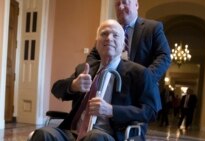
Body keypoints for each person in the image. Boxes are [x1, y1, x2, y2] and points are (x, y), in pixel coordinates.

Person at [30, 19, 161, 141]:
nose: (109, 38)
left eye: (115, 35)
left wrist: (111, 110)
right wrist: (73, 85)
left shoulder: (140, 73)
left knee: (94, 137)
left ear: (123, 45)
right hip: (73, 132)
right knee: (43, 134)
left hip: (111, 135)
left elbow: (151, 111)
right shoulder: (85, 69)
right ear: (97, 43)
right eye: (104, 34)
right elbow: (56, 89)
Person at [86, 0, 171, 82]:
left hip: (139, 88)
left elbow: (164, 56)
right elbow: (93, 56)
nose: (121, 7)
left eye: (125, 2)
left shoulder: (152, 28)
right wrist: (91, 75)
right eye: (117, 4)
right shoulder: (109, 30)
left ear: (136, 5)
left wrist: (146, 78)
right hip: (111, 85)